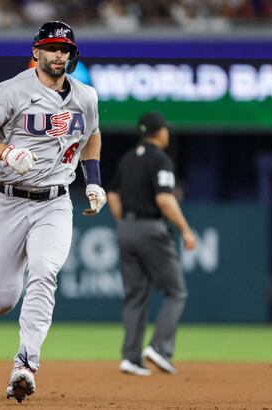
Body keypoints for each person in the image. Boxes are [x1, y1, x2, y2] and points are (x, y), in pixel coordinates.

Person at [0, 21, 106, 403]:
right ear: (36, 52)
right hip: (9, 200)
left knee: (45, 271)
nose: (58, 54)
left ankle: (25, 365)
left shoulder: (86, 96)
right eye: (51, 47)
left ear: (72, 54)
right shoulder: (9, 91)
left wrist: (93, 180)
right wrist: (6, 152)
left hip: (56, 202)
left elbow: (92, 134)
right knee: (1, 301)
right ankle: (16, 320)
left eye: (64, 49)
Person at [107, 112, 197, 377]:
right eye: (165, 129)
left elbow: (112, 196)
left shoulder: (127, 158)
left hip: (126, 229)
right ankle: (159, 348)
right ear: (160, 132)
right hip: (151, 228)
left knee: (135, 295)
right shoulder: (160, 159)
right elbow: (165, 200)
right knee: (176, 291)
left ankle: (131, 358)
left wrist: (127, 223)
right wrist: (186, 231)